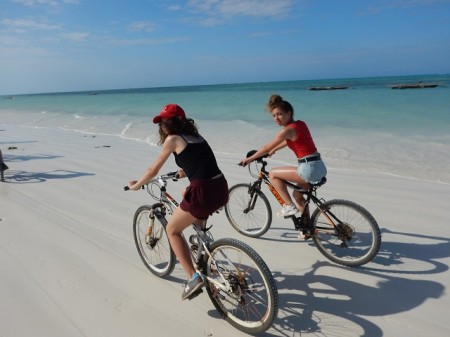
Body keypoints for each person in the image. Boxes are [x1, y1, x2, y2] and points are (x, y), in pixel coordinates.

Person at [128, 104, 229, 300]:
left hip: (203, 191)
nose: (163, 125)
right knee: (187, 193)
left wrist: (137, 185)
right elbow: (201, 162)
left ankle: (193, 278)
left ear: (178, 121)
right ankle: (203, 248)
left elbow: (152, 171)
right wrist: (183, 172)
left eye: (167, 121)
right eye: (161, 122)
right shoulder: (197, 138)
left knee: (172, 230)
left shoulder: (173, 140)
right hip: (220, 187)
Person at [240, 94, 327, 221]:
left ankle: (288, 206)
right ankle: (307, 229)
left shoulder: (286, 131)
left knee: (273, 174)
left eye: (280, 114)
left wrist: (249, 159)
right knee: (298, 196)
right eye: (274, 116)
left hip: (308, 169)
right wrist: (275, 150)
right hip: (319, 166)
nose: (276, 118)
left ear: (289, 113)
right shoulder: (300, 124)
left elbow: (266, 147)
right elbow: (290, 141)